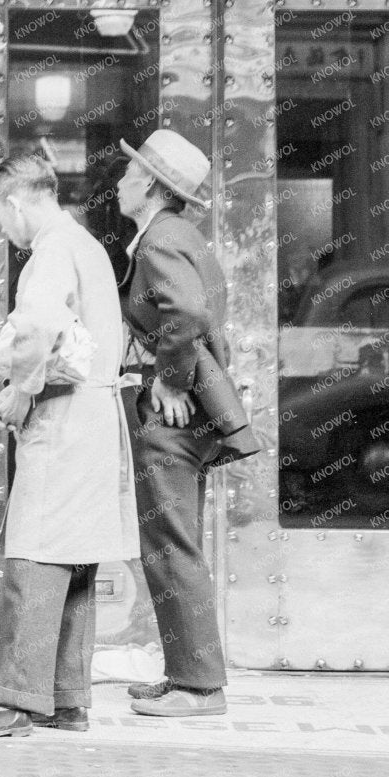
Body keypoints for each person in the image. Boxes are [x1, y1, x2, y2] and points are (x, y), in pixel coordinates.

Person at [0, 151, 138, 739]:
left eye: (2, 216)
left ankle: (10, 703)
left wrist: (22, 390)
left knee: (31, 554)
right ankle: (64, 698)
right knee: (74, 559)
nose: (5, 230)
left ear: (15, 200)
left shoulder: (50, 251)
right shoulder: (87, 245)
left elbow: (39, 327)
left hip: (64, 415)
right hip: (97, 414)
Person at [115, 129, 261, 719]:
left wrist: (170, 378)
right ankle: (185, 673)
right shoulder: (179, 236)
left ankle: (199, 687)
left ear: (149, 185)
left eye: (127, 175)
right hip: (192, 413)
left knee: (171, 545)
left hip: (174, 415)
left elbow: (190, 313)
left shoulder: (160, 241)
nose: (119, 184)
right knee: (174, 542)